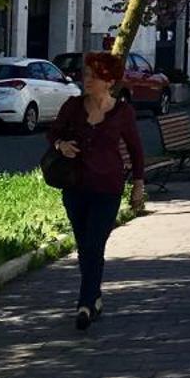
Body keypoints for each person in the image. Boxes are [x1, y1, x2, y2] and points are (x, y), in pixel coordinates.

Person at [49, 51, 146, 333]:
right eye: (86, 74)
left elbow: (137, 150)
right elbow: (53, 133)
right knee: (85, 246)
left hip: (107, 188)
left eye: (93, 76)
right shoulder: (73, 106)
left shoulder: (122, 112)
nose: (86, 79)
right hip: (75, 186)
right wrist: (61, 146)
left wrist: (138, 185)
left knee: (94, 244)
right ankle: (94, 297)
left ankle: (85, 303)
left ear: (109, 80)